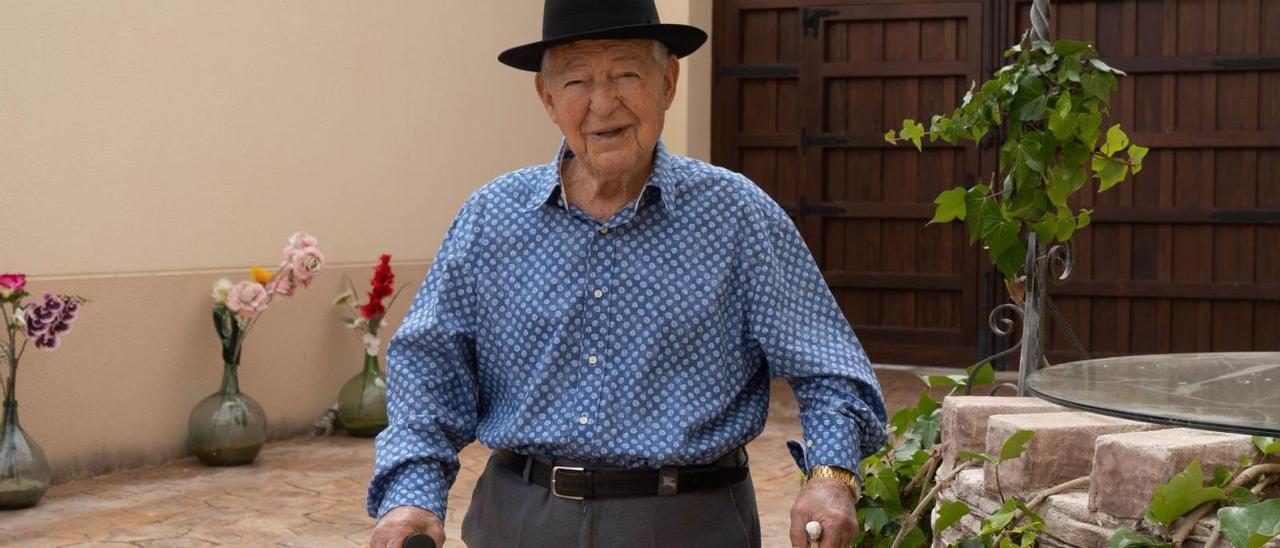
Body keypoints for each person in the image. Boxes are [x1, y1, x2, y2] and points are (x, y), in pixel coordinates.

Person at [367, 1, 887, 546]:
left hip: (688, 521)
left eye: (625, 74)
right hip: (519, 519)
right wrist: (411, 495)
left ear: (667, 82)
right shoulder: (492, 215)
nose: (602, 102)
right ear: (547, 98)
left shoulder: (736, 214)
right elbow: (429, 367)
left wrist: (830, 478)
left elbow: (830, 369)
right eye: (576, 81)